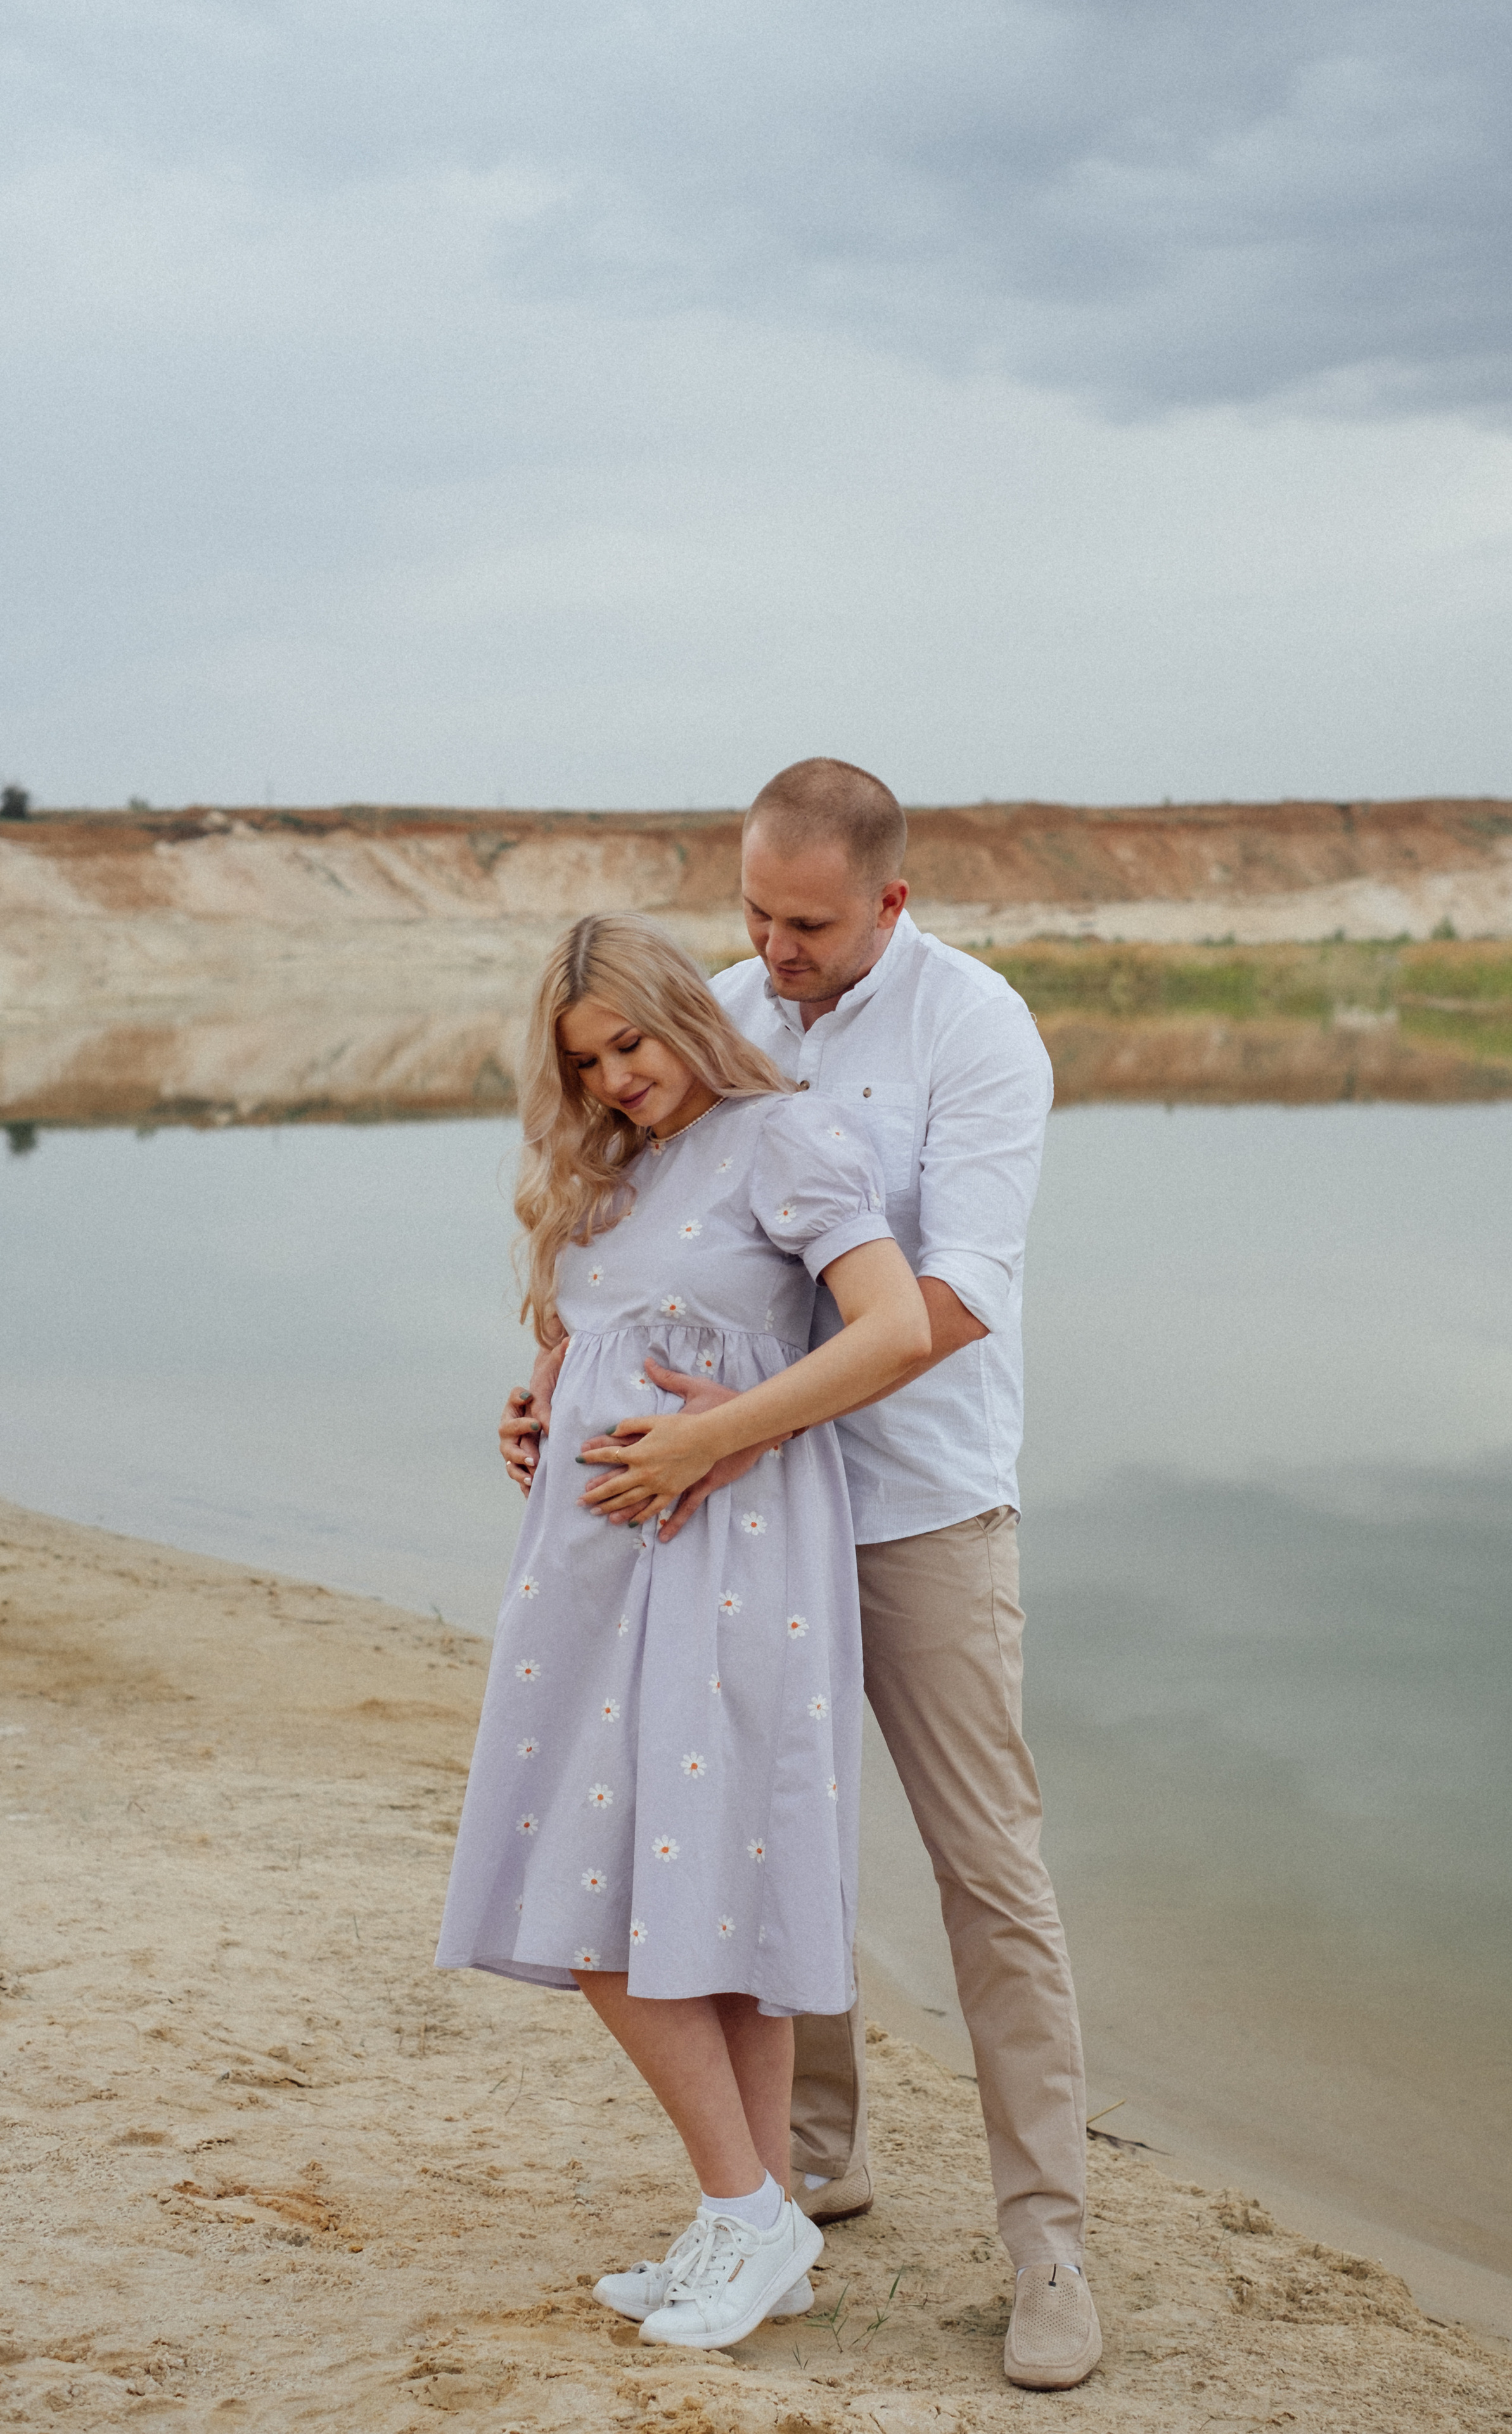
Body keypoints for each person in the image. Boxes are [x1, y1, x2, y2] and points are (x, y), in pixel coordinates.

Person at [501, 763, 1103, 2391]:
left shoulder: (972, 1030)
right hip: (728, 1530)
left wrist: (732, 1429)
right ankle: (802, 2173)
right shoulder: (714, 1010)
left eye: (807, 923)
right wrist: (572, 1391)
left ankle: (1046, 2244)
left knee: (987, 1875)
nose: (770, 947)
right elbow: (655, 1232)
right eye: (753, 912)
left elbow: (950, 1295)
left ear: (888, 904)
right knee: (754, 1832)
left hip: (915, 1504)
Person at [439, 912, 930, 2352]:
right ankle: (757, 2221)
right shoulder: (615, 1168)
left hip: (727, 1549)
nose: (613, 1080)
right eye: (585, 1063)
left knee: (620, 1887)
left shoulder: (784, 1142)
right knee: (669, 1890)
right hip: (593, 1570)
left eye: (631, 1044)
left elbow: (891, 1331)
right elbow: (595, 1332)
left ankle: (742, 2214)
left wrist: (711, 1431)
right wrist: (540, 1398)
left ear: (680, 1014)